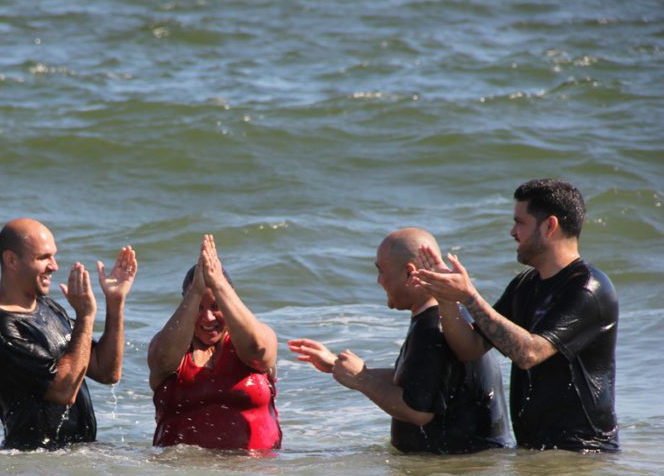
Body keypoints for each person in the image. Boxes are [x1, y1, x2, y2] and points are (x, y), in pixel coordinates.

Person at [410, 179, 619, 452]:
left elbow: (529, 353)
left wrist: (469, 296)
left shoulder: (588, 289)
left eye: (520, 222)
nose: (512, 232)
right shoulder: (525, 285)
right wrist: (447, 300)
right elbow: (471, 348)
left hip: (583, 453)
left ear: (549, 226)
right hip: (535, 452)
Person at [288, 228, 509, 454]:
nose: (379, 280)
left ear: (409, 273)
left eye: (381, 271)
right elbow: (420, 380)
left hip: (456, 471)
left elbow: (418, 411)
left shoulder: (432, 328)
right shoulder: (454, 316)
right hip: (476, 463)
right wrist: (338, 365)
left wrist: (362, 379)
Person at [0, 218, 137, 450]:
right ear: (11, 260)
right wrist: (86, 317)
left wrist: (115, 301)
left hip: (71, 456)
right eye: (43, 258)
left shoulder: (49, 307)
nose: (54, 266)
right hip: (33, 461)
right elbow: (63, 390)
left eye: (53, 256)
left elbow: (107, 371)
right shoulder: (0, 327)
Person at [148, 234, 282, 451]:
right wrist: (196, 291)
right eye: (198, 307)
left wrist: (218, 284)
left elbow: (258, 351)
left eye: (216, 306)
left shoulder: (256, 338)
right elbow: (163, 360)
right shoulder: (170, 348)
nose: (208, 318)